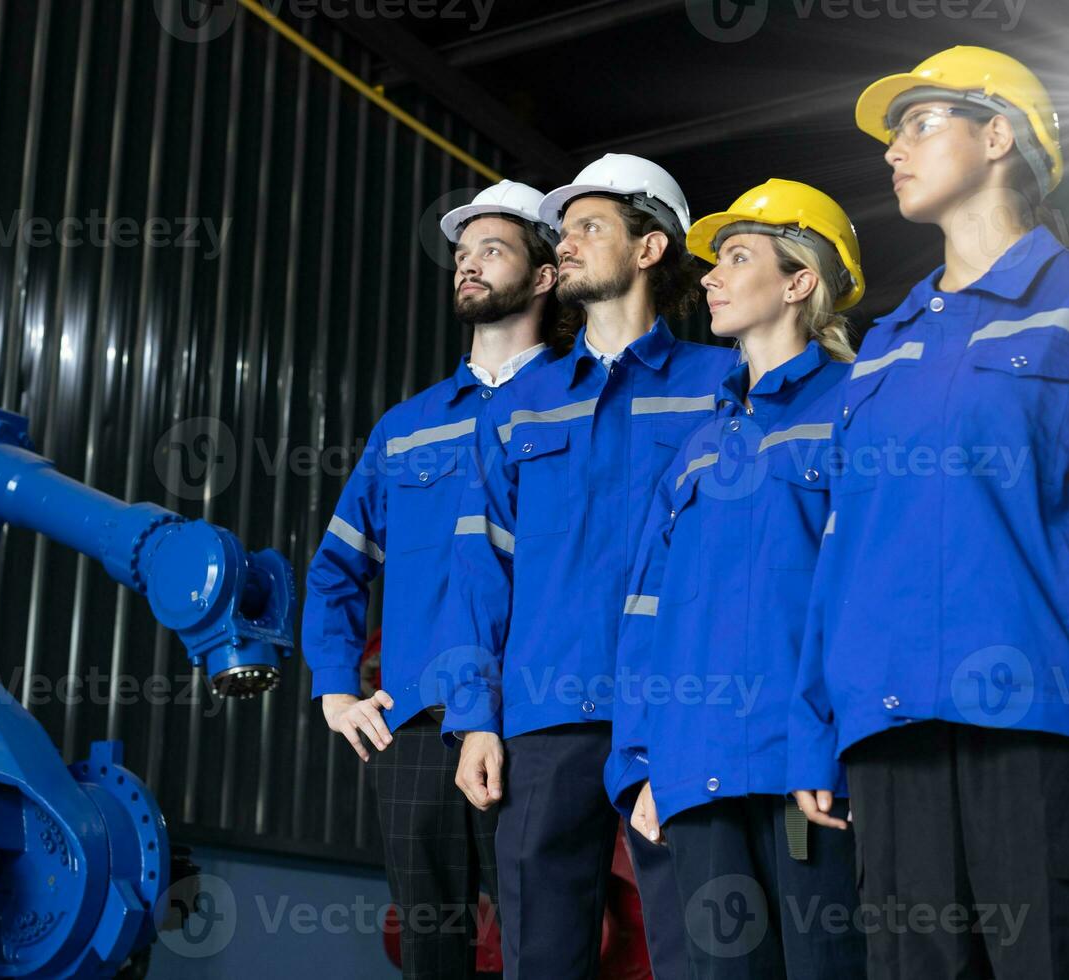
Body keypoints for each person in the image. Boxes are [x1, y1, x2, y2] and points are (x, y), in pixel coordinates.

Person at [788, 46, 1069, 979]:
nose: (895, 151)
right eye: (893, 136)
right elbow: (841, 555)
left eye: (922, 124)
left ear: (999, 135)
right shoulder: (883, 351)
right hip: (890, 744)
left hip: (1042, 735)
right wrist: (817, 729)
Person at [439, 153, 736, 979]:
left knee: (695, 947)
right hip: (545, 714)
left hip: (682, 710)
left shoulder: (723, 383)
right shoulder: (521, 404)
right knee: (539, 953)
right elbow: (480, 567)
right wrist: (476, 719)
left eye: (588, 228)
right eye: (561, 231)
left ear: (648, 249)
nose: (563, 245)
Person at [607, 179, 869, 979]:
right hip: (696, 773)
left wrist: (840, 751)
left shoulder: (859, 411)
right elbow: (644, 615)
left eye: (738, 257)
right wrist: (638, 761)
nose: (711, 278)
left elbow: (867, 599)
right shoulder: (696, 449)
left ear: (800, 281)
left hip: (810, 776)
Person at [301, 179, 560, 980]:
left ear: (545, 276)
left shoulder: (576, 403)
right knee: (431, 952)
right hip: (414, 728)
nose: (467, 266)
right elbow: (337, 567)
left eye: (493, 249)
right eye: (461, 254)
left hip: (538, 720)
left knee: (546, 946)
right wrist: (336, 688)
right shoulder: (406, 425)